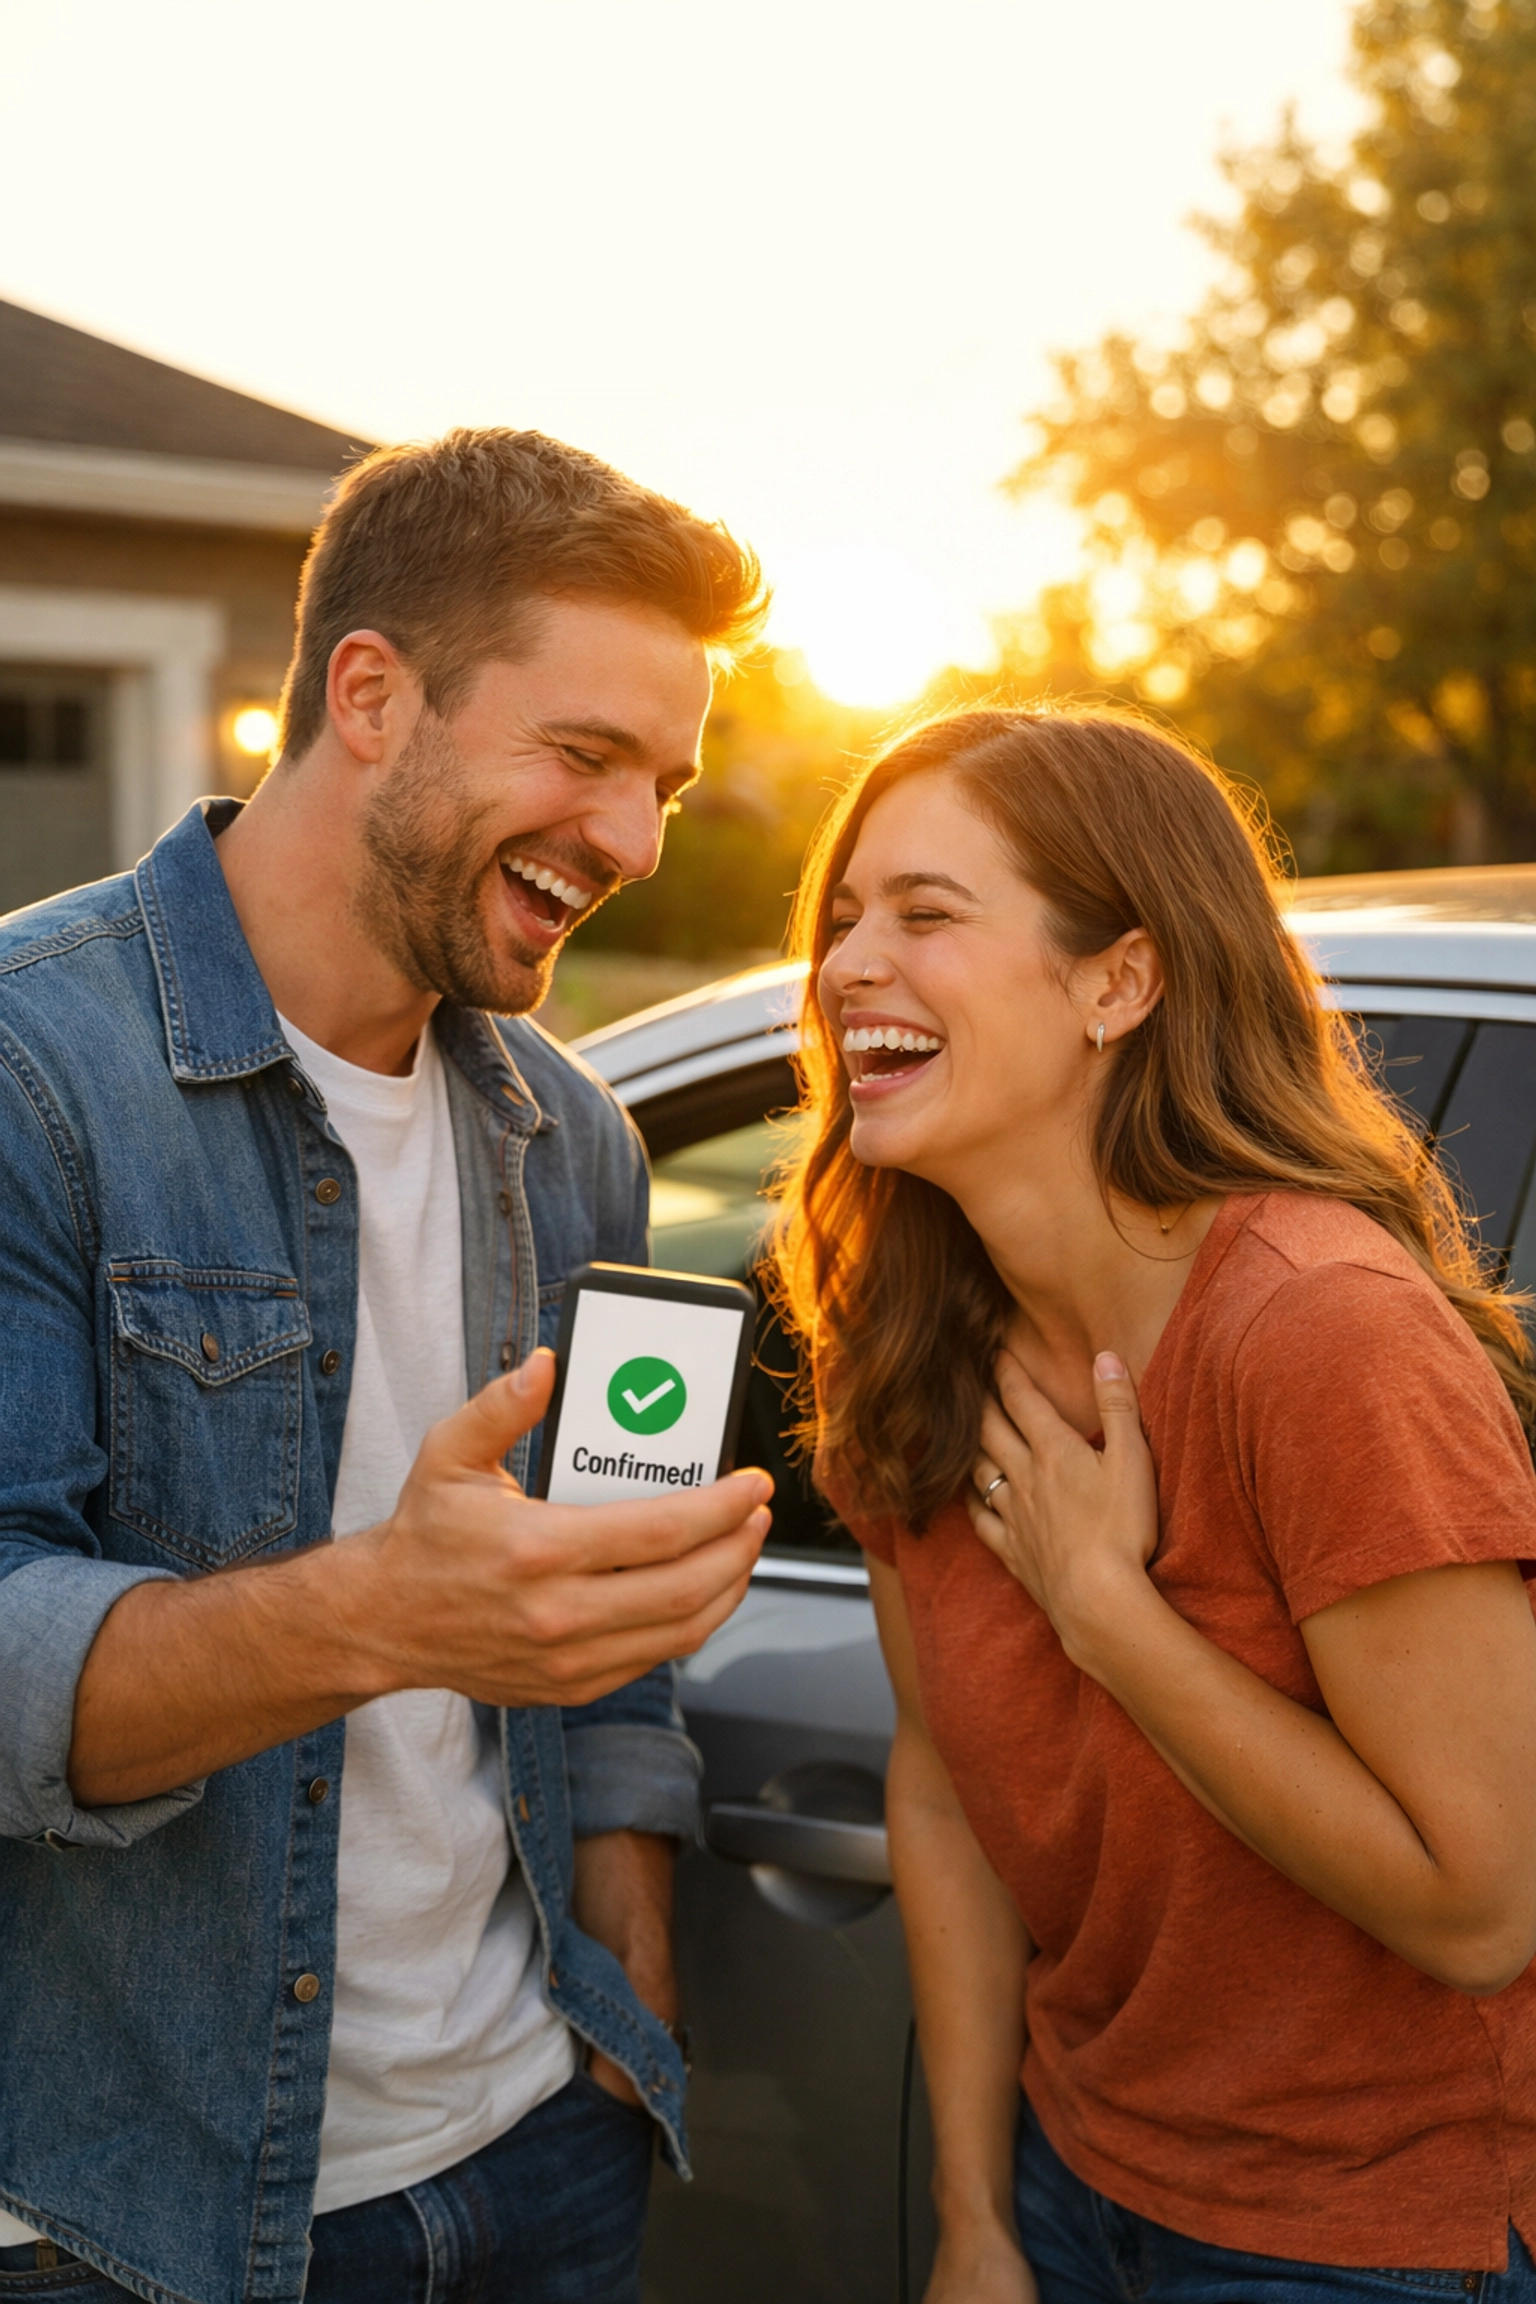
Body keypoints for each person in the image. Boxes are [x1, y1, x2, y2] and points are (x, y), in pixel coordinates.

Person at [0, 427, 774, 2304]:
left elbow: (608, 1650)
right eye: (583, 756)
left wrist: (626, 1978)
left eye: (660, 784)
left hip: (541, 2155)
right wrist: (395, 1612)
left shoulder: (576, 1138)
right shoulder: (35, 1077)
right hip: (139, 2225)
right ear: (370, 694)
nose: (633, 841)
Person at [771, 704, 1536, 2304]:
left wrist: (1109, 1615)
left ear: (1119, 981)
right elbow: (943, 1786)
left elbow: (1485, 1912)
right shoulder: (907, 1329)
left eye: (925, 914)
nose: (849, 964)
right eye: (845, 917)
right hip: (1076, 2179)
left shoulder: (1323, 1330)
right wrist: (974, 2216)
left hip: (1362, 2238)